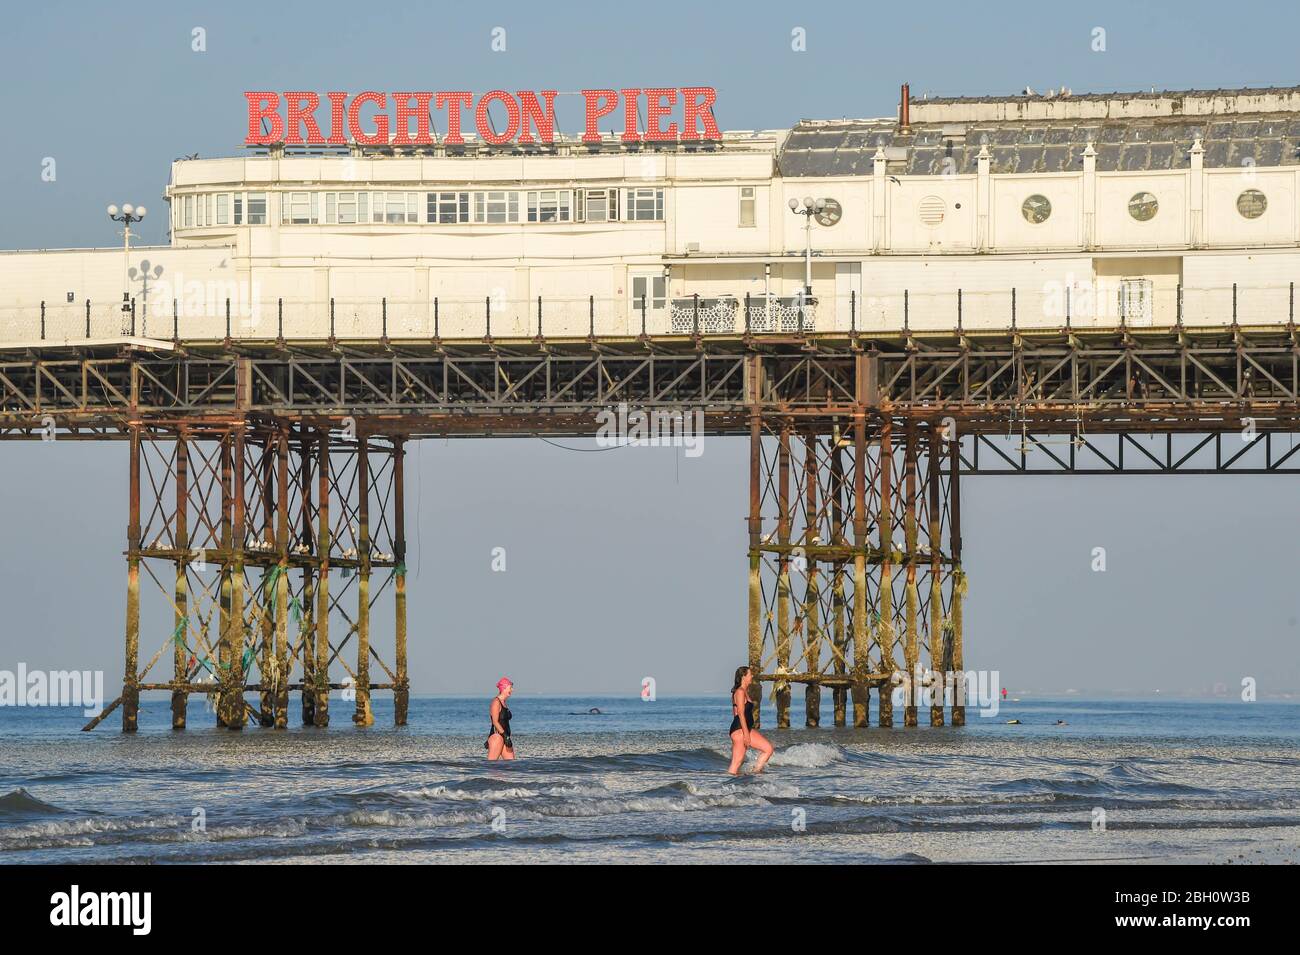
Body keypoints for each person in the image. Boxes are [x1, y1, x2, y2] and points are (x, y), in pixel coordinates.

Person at [728, 665, 773, 775]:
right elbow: (740, 714)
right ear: (744, 676)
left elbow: (735, 712)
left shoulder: (744, 691)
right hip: (740, 730)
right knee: (736, 763)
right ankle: (726, 786)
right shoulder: (739, 692)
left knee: (768, 749)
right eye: (749, 674)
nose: (751, 676)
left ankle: (755, 772)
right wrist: (745, 735)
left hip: (744, 729)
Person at [485, 677, 515, 760]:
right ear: (504, 688)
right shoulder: (496, 702)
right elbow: (495, 722)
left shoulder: (504, 702)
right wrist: (505, 736)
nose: (512, 690)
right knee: (492, 766)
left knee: (511, 767)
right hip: (497, 737)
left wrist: (507, 737)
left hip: (505, 737)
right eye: (510, 688)